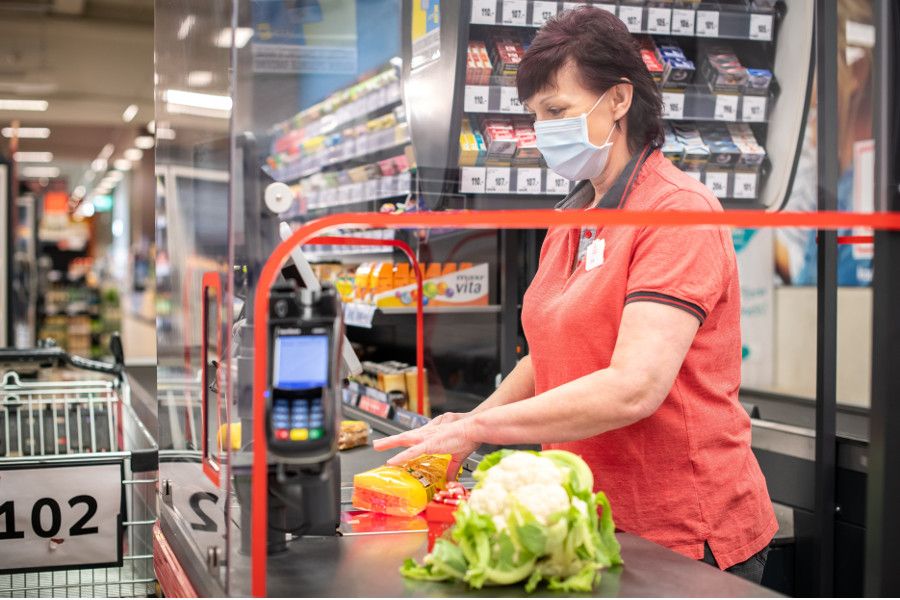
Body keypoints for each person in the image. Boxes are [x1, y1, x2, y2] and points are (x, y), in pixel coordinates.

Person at [374, 7, 776, 583]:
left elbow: (634, 387)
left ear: (617, 100)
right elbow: (551, 356)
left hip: (684, 534)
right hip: (592, 521)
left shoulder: (677, 212)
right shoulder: (574, 217)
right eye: (536, 116)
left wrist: (480, 430)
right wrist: (461, 429)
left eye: (557, 111)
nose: (542, 133)